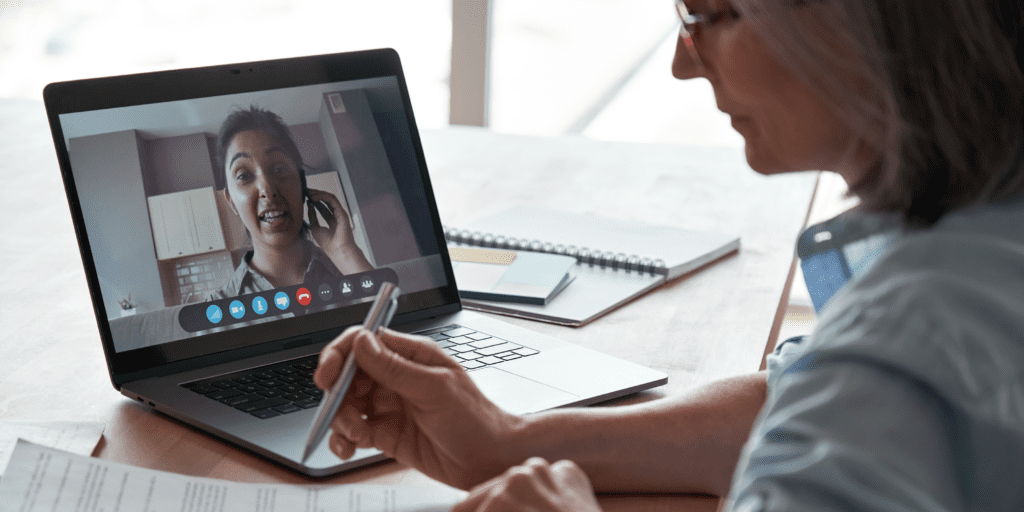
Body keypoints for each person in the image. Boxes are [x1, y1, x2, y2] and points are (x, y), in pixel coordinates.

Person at [314, 0, 1024, 510]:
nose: (684, 64)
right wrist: (506, 440)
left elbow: (866, 392)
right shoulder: (979, 242)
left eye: (709, 14)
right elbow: (798, 399)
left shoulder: (915, 332)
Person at [210, 106, 373, 300]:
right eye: (244, 175)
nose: (267, 191)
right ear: (232, 203)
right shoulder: (219, 306)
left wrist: (347, 255)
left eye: (279, 169)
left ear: (302, 183)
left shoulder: (347, 272)